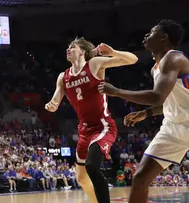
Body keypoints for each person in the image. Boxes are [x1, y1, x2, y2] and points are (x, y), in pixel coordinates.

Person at [98, 19, 189, 203]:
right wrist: (146, 113)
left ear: (164, 37)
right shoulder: (156, 67)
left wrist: (116, 92)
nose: (146, 35)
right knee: (140, 178)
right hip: (173, 127)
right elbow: (168, 102)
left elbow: (157, 96)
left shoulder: (174, 58)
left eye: (152, 31)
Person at [45, 38, 138, 203]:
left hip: (103, 126)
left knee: (92, 166)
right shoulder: (63, 77)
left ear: (82, 51)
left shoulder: (94, 64)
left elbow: (133, 59)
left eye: (72, 47)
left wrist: (113, 52)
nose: (68, 49)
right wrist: (52, 105)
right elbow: (55, 100)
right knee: (81, 178)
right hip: (84, 130)